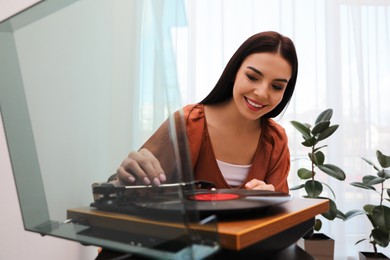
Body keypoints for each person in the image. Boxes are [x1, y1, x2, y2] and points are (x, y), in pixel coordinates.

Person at [112, 31, 298, 194]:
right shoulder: (187, 123)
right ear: (234, 72)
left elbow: (282, 220)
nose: (261, 93)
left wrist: (273, 198)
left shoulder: (276, 140)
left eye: (276, 86)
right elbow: (130, 190)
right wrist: (123, 180)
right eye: (252, 77)